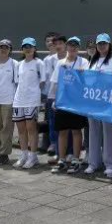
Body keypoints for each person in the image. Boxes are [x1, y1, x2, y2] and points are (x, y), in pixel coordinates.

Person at [50, 37, 89, 174]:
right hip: (63, 101)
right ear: (67, 47)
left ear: (78, 48)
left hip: (77, 102)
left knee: (76, 131)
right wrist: (54, 100)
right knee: (62, 131)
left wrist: (82, 75)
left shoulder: (84, 62)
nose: (72, 48)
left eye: (75, 46)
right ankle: (61, 160)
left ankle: (76, 160)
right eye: (70, 45)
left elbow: (87, 81)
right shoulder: (60, 63)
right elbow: (55, 83)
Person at [86, 34, 112, 176]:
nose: (101, 46)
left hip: (108, 101)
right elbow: (87, 80)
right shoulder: (92, 61)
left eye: (104, 43)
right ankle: (93, 162)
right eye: (99, 44)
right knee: (93, 131)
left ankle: (110, 163)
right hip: (93, 101)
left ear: (109, 44)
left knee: (109, 132)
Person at [12, 37, 46, 169]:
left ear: (34, 48)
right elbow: (17, 82)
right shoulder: (19, 64)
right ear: (22, 49)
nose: (28, 49)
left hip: (32, 100)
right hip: (18, 100)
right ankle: (24, 155)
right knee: (21, 129)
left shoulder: (39, 63)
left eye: (30, 46)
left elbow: (42, 82)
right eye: (25, 47)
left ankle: (33, 156)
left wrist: (37, 96)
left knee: (31, 128)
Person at [43, 33, 67, 161]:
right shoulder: (48, 60)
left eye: (60, 43)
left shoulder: (69, 58)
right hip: (52, 94)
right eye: (55, 44)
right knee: (52, 122)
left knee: (66, 124)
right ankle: (54, 144)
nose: (58, 46)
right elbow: (46, 78)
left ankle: (68, 151)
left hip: (66, 96)